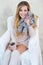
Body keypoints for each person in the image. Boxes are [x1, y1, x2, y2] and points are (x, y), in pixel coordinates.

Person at [0, 1, 42, 65]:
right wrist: (13, 43)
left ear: (28, 11)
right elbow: (12, 33)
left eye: (25, 10)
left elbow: (33, 35)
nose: (23, 13)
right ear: (18, 11)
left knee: (15, 54)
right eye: (21, 10)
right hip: (15, 41)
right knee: (7, 53)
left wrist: (28, 24)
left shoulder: (31, 19)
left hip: (24, 43)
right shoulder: (14, 19)